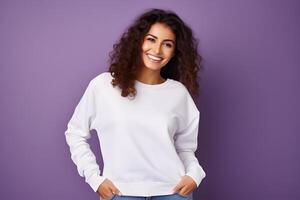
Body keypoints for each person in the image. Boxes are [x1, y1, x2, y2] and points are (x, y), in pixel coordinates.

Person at [64, 8, 206, 200]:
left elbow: (185, 148)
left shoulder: (178, 93)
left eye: (167, 44)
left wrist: (195, 175)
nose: (157, 50)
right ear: (138, 41)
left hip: (173, 193)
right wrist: (94, 179)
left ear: (175, 51)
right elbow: (75, 133)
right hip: (120, 193)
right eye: (151, 39)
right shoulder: (103, 86)